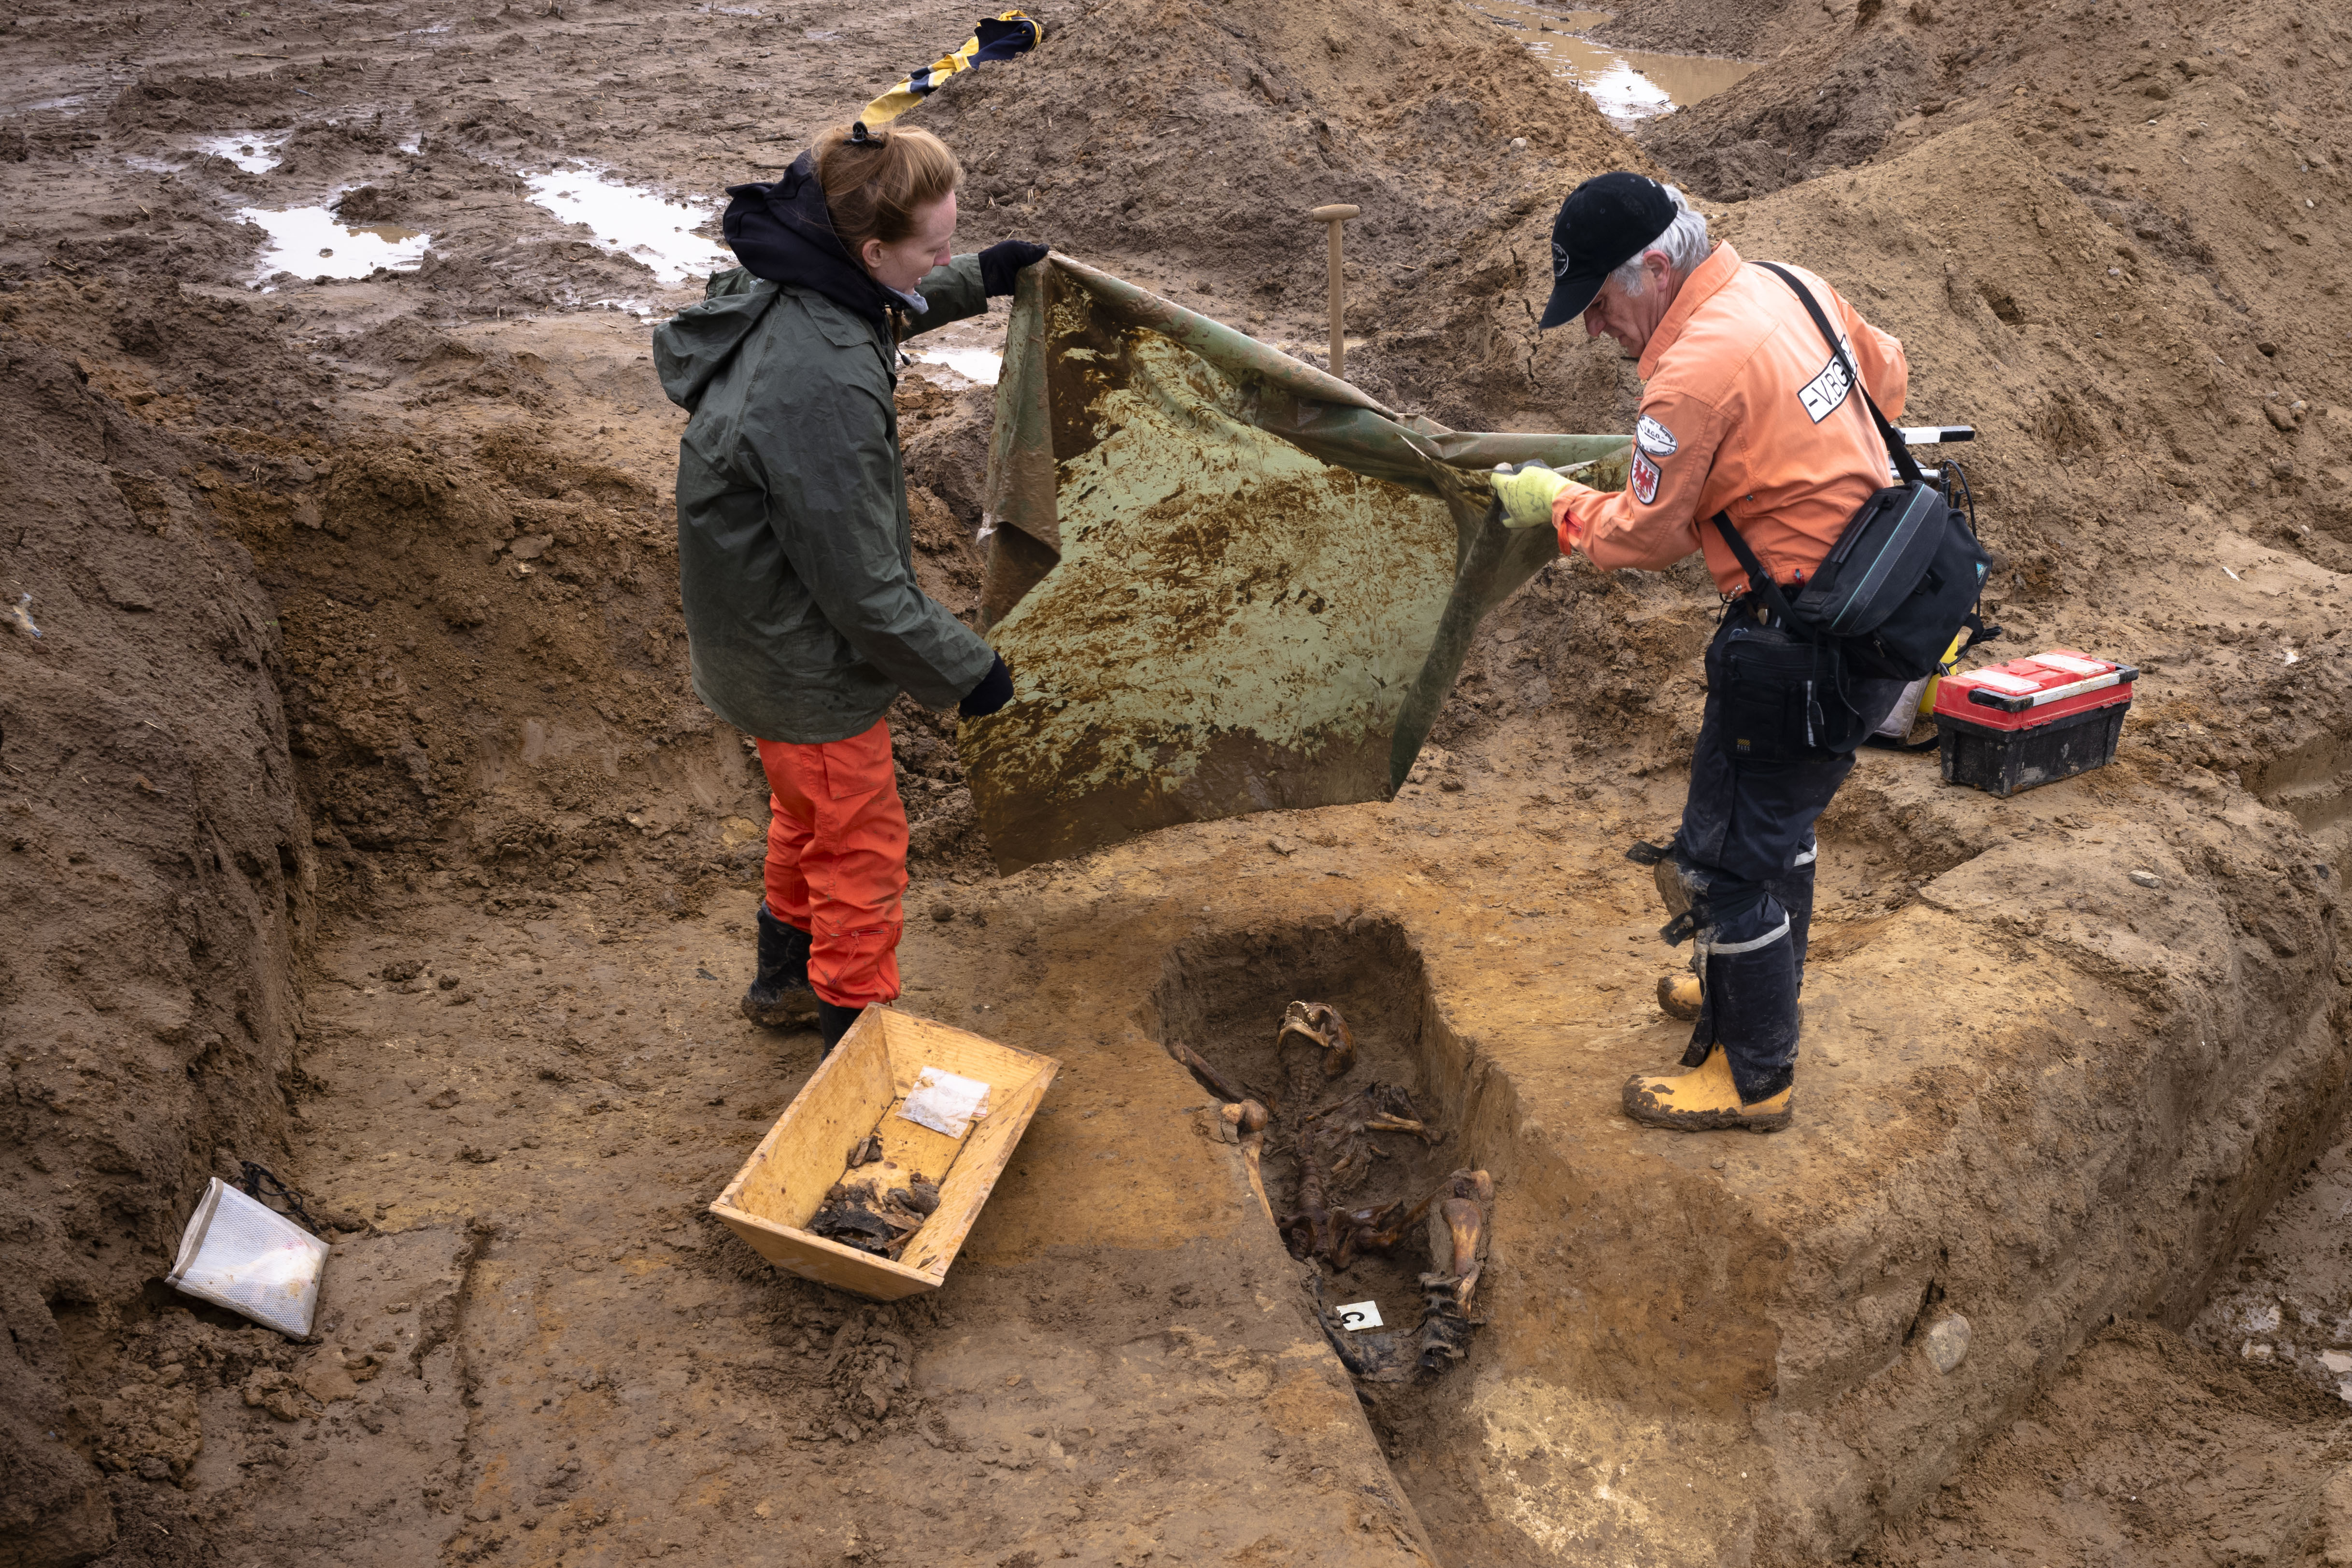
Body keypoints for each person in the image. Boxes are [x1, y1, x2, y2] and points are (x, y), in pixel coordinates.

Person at [1491, 172, 1911, 1133]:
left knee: (1725, 859)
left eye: (1597, 303)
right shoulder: (1787, 286)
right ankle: (1746, 991)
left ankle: (1751, 1075)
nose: (1593, 329)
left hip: (1794, 642)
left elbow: (1642, 533)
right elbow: (1884, 376)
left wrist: (1555, 506)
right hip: (1877, 611)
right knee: (1778, 829)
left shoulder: (1688, 380)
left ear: (1650, 267)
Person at [652, 121, 1046, 1053]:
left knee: (807, 820)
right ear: (872, 250)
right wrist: (970, 672)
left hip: (752, 629)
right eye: (933, 249)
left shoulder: (793, 269)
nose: (943, 255)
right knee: (862, 850)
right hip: (803, 666)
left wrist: (975, 277)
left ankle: (784, 986)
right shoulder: (820, 390)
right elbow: (866, 592)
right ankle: (852, 1052)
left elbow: (873, 304)